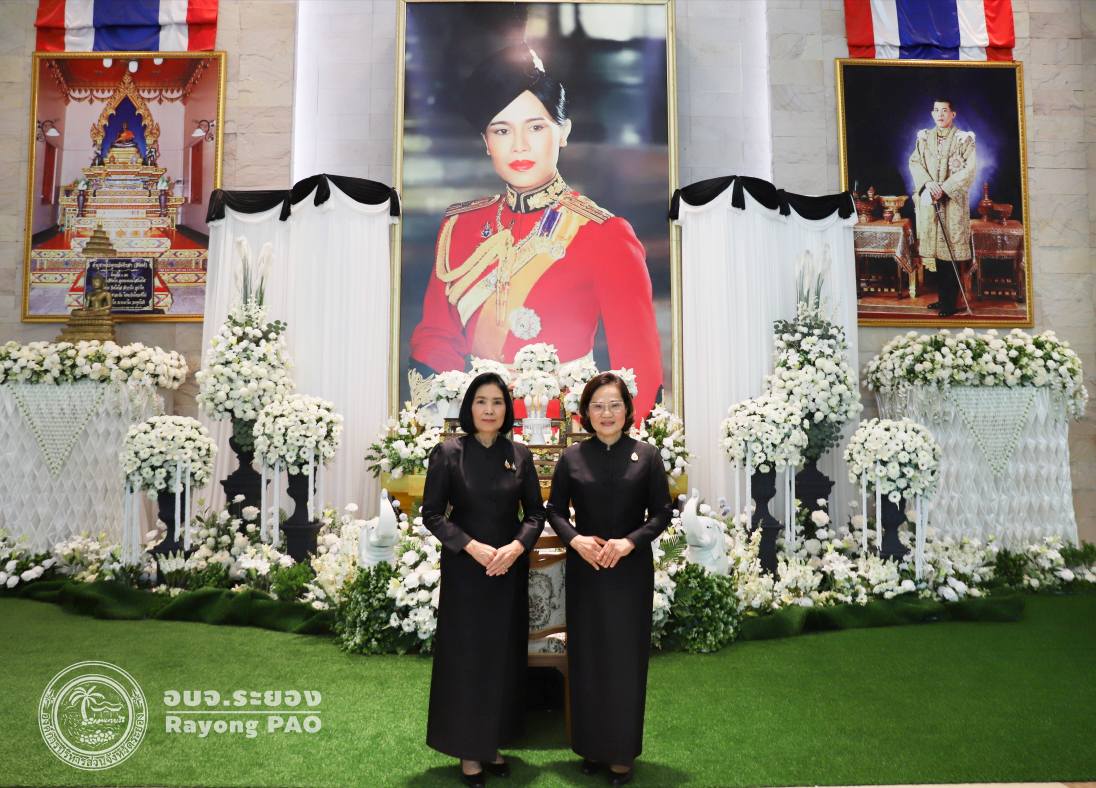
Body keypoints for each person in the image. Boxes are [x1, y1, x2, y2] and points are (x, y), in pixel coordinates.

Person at [409, 44, 663, 419]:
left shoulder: (605, 234)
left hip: (570, 430)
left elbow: (638, 368)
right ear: (486, 143)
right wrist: (446, 418)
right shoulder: (460, 226)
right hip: (476, 426)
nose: (520, 146)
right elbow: (435, 338)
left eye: (536, 127)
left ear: (563, 132)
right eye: (502, 130)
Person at [545, 371, 672, 785]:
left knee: (624, 660)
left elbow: (662, 513)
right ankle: (590, 747)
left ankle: (620, 753)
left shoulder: (647, 457)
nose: (606, 413)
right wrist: (576, 540)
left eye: (614, 405)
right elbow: (555, 511)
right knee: (588, 657)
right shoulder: (572, 458)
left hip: (629, 573)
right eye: (598, 406)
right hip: (587, 569)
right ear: (585, 412)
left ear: (627, 410)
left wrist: (630, 542)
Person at [421, 372, 547, 786]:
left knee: (502, 657)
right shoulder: (448, 453)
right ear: (469, 407)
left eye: (497, 402)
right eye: (481, 401)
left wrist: (516, 548)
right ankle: (468, 751)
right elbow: (432, 514)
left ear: (507, 409)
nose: (489, 409)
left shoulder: (520, 455)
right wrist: (471, 546)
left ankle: (492, 742)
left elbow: (535, 513)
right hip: (466, 570)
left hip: (508, 569)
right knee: (467, 657)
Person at [908, 97, 976, 317]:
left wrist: (944, 189)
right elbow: (915, 162)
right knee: (937, 255)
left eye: (945, 110)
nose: (940, 114)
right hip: (931, 201)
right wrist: (928, 184)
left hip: (952, 203)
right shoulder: (924, 138)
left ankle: (950, 303)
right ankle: (943, 299)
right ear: (932, 113)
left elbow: (969, 170)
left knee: (950, 254)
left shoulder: (963, 139)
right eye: (936, 110)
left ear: (953, 114)